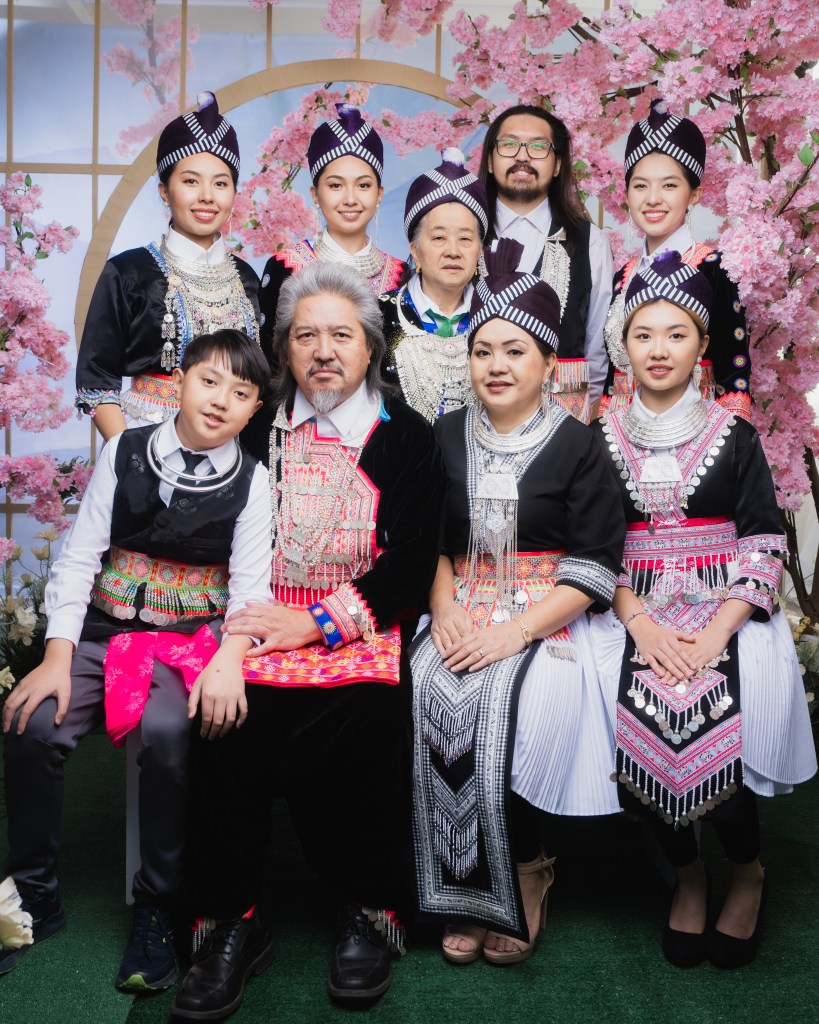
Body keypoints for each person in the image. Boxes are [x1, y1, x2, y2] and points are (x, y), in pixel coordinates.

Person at [172, 262, 446, 1019]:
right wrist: (241, 640)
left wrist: (318, 624)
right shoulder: (254, 423)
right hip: (255, 619)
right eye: (305, 337)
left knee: (369, 717)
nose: (323, 352)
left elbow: (412, 561)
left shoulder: (407, 436)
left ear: (371, 348)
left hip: (357, 626)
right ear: (283, 349)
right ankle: (231, 921)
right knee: (223, 720)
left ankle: (366, 909)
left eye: (341, 336)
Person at [1, 330, 273, 990]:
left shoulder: (254, 480)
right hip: (102, 633)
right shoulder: (125, 450)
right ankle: (34, 893)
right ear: (179, 381)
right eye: (209, 381)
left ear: (254, 409)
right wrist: (57, 657)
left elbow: (250, 593)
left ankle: (157, 907)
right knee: (32, 722)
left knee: (169, 732)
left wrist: (230, 658)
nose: (220, 401)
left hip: (190, 645)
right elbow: (79, 559)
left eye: (240, 393)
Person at [590, 252, 816, 969]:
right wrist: (641, 622)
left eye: (676, 334)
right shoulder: (598, 437)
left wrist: (717, 632)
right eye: (643, 334)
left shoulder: (735, 433)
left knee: (714, 706)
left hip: (726, 607)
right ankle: (688, 876)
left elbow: (763, 539)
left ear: (702, 345)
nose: (658, 349)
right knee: (629, 703)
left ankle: (745, 872)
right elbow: (590, 547)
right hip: (632, 608)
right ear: (623, 346)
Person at [410, 239, 625, 967]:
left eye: (514, 351)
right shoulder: (443, 435)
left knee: (529, 703)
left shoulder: (579, 444)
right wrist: (445, 609)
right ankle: (464, 888)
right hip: (459, 599)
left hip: (549, 611)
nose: (496, 366)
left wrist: (516, 634)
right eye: (483, 351)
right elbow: (427, 542)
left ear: (546, 363)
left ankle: (528, 869)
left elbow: (593, 564)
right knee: (427, 686)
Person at [76, 93, 261, 438]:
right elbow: (97, 381)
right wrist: (130, 456)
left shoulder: (247, 279)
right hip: (147, 438)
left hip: (232, 447)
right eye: (191, 181)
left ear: (234, 193)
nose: (207, 196)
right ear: (164, 190)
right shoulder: (128, 272)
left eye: (220, 183)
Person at [601, 99, 752, 419]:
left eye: (669, 185)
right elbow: (613, 379)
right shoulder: (623, 276)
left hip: (695, 433)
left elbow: (734, 376)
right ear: (627, 194)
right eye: (640, 186)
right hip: (623, 433)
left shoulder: (715, 269)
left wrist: (727, 442)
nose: (653, 199)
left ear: (694, 194)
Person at [478, 105, 613, 420]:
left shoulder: (590, 242)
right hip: (474, 423)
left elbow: (597, 348)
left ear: (557, 165)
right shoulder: (464, 235)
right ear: (490, 160)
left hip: (564, 424)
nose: (522, 156)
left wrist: (582, 428)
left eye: (538, 146)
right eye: (509, 144)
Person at [258, 104, 405, 366]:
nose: (350, 199)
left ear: (379, 194)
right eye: (336, 185)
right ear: (315, 194)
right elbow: (270, 367)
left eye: (363, 185)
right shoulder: (285, 267)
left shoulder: (402, 276)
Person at [381, 148, 488, 421]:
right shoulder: (376, 316)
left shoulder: (498, 316)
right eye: (439, 238)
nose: (453, 251)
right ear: (415, 250)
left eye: (465, 239)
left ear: (479, 250)